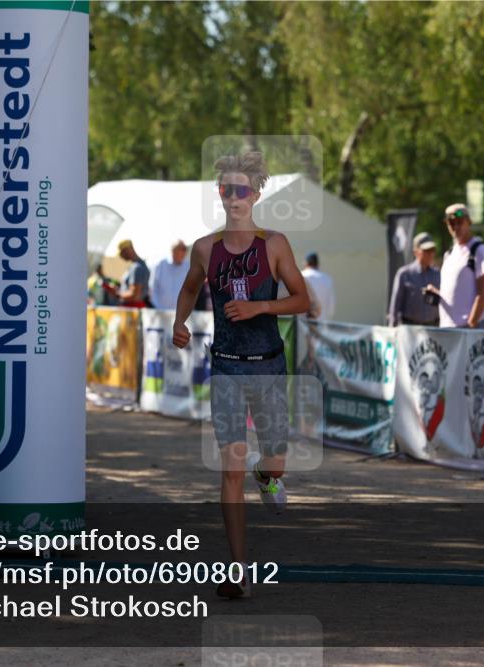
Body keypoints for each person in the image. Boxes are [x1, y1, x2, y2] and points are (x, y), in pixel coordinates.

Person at [172, 151, 309, 599]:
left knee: (275, 458)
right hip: (226, 366)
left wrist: (260, 306)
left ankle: (267, 476)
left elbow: (301, 299)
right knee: (228, 467)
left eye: (242, 190)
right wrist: (180, 322)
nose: (234, 197)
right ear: (220, 193)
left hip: (268, 364)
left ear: (255, 195)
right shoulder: (205, 248)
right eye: (227, 189)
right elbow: (190, 287)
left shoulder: (274, 245)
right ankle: (238, 570)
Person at [425, 203, 484, 328]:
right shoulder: (448, 254)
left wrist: (471, 324)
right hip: (447, 327)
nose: (455, 226)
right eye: (451, 223)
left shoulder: (480, 250)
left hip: (468, 328)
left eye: (460, 222)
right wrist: (436, 293)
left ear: (469, 222)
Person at [388, 232, 440, 326]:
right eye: (427, 250)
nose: (431, 254)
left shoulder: (437, 274)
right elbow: (395, 305)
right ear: (416, 251)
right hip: (410, 329)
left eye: (433, 250)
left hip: (433, 329)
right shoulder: (404, 274)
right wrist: (392, 328)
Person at [150, 239, 190, 310]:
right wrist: (158, 307)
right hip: (161, 312)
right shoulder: (160, 265)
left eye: (185, 249)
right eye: (181, 249)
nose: (184, 252)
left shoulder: (188, 267)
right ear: (173, 251)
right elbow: (152, 288)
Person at [116, 239, 152, 308]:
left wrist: (117, 294)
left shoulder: (137, 267)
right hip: (133, 308)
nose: (121, 256)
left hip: (132, 309)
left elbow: (134, 295)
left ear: (128, 250)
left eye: (122, 253)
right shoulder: (137, 266)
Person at [301, 252, 335, 321]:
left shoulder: (301, 276)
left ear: (306, 263)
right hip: (321, 323)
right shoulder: (327, 278)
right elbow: (331, 306)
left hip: (302, 324)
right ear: (317, 264)